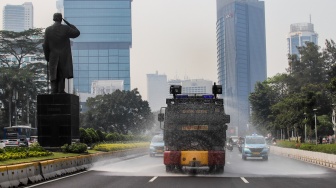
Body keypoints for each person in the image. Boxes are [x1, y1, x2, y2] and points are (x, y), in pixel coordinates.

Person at [43, 13, 80, 94]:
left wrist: (47, 56)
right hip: (63, 55)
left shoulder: (48, 30)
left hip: (53, 55)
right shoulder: (66, 28)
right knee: (61, 73)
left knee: (53, 73)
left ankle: (53, 90)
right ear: (60, 19)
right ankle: (61, 90)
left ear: (53, 19)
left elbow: (45, 45)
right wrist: (71, 26)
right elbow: (77, 33)